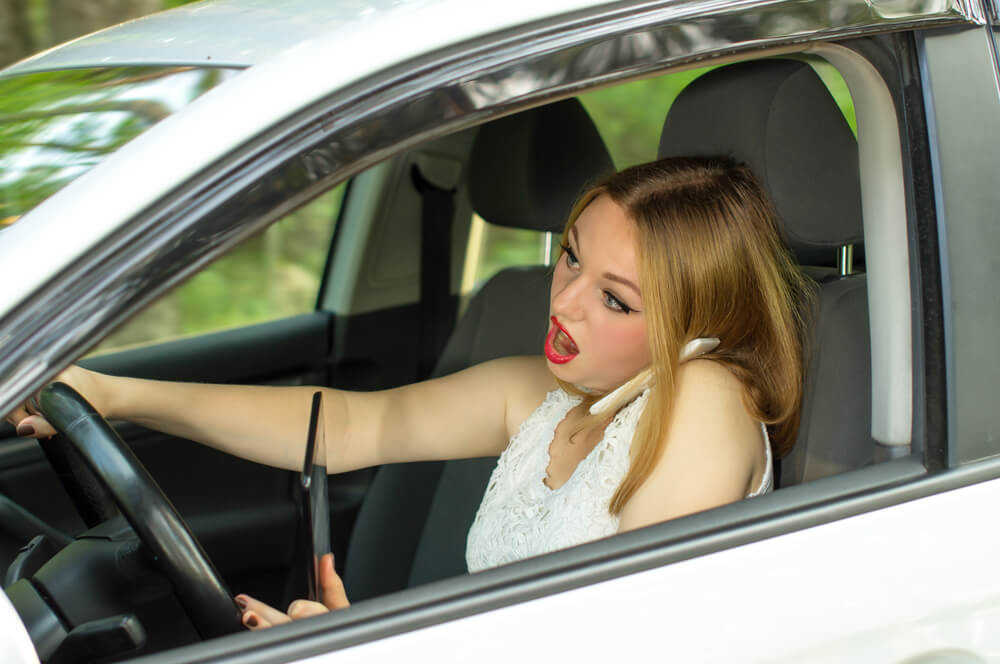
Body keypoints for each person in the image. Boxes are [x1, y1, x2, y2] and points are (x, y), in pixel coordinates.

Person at [6, 156, 812, 630]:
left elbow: (615, 638)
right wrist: (114, 395)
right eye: (570, 258)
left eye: (616, 299)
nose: (562, 300)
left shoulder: (707, 399)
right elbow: (354, 424)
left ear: (695, 326)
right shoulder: (554, 397)